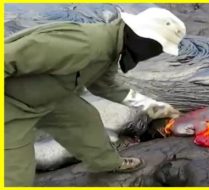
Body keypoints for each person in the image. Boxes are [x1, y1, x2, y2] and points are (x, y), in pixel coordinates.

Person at [4, 7, 186, 186]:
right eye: (158, 48)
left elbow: (105, 86)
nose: (155, 54)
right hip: (13, 103)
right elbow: (6, 57)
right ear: (144, 39)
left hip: (50, 96)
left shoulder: (111, 49)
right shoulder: (83, 44)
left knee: (85, 120)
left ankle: (107, 163)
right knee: (16, 173)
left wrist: (152, 107)